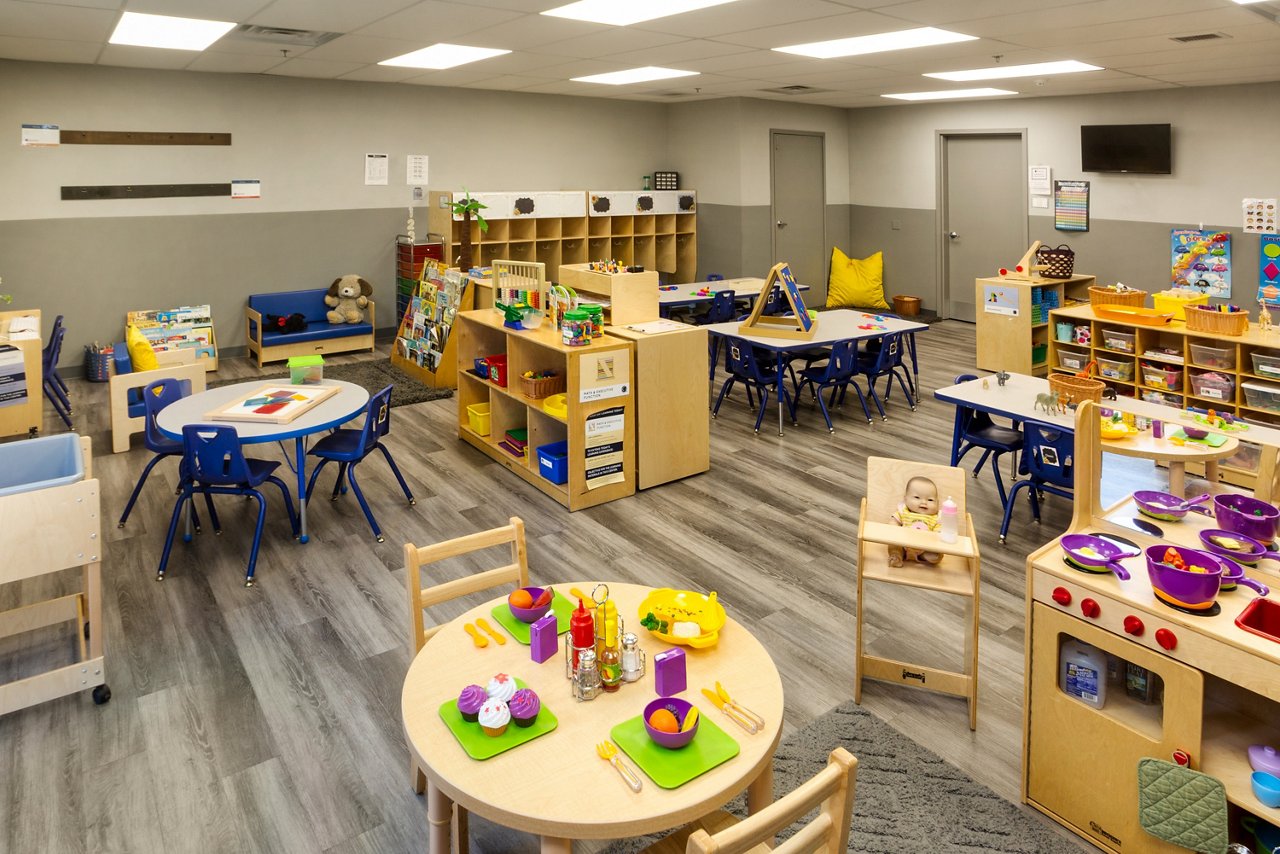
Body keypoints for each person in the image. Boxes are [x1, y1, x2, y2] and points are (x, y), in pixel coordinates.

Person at [888, 476, 942, 567]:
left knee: (937, 555)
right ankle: (896, 556)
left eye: (930, 500)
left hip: (925, 547)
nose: (924, 502)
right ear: (906, 499)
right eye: (917, 497)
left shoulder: (935, 518)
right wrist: (893, 527)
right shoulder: (904, 512)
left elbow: (939, 532)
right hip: (903, 544)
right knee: (894, 545)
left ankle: (926, 557)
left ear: (937, 503)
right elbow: (894, 521)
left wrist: (936, 539)